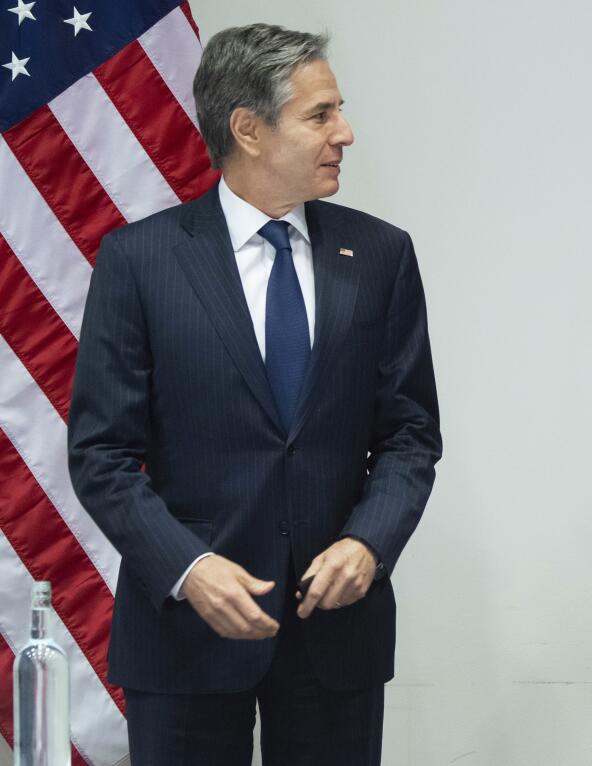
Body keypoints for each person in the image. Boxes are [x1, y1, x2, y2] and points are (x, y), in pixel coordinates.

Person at [67, 24, 441, 765]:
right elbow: (102, 454)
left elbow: (409, 435)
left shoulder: (379, 256)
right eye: (321, 114)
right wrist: (188, 567)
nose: (346, 132)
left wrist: (369, 541)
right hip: (184, 635)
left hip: (337, 635)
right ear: (248, 129)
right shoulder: (139, 263)